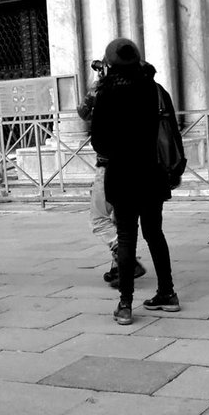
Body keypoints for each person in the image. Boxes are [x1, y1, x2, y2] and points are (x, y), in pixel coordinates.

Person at [87, 38, 182, 326]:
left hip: (121, 175)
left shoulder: (106, 94)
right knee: (155, 233)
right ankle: (167, 293)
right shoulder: (154, 90)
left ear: (110, 63)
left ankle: (125, 304)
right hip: (152, 175)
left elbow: (99, 141)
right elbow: (172, 131)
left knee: (127, 237)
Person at [77, 60, 144, 289]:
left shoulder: (104, 92)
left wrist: (97, 83)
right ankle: (119, 267)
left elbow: (83, 113)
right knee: (120, 218)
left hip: (108, 166)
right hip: (137, 164)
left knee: (99, 220)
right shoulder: (142, 88)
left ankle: (128, 260)